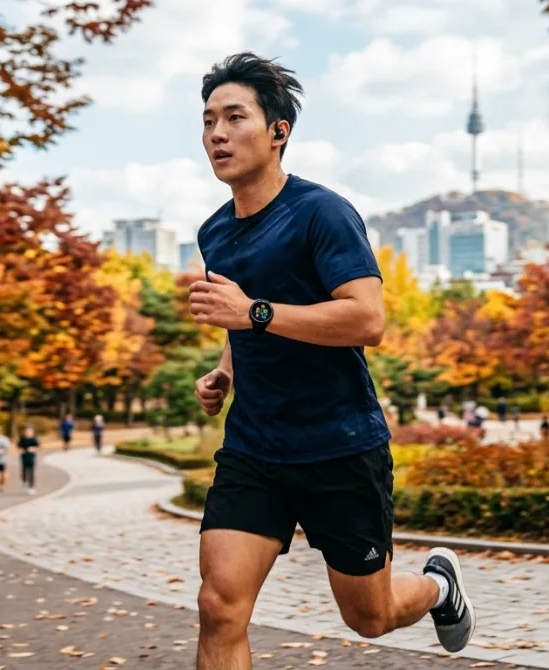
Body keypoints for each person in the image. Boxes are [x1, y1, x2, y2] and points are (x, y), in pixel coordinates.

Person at [187, 53, 475, 670]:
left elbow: (366, 319)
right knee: (219, 607)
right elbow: (242, 322)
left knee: (369, 616)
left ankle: (439, 587)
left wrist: (254, 313)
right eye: (208, 120)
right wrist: (225, 370)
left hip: (338, 445)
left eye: (235, 117)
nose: (216, 133)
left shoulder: (321, 212)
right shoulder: (215, 231)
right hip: (254, 450)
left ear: (278, 132)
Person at [18, 424, 39, 495]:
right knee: (24, 471)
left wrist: (33, 449)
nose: (28, 432)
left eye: (30, 430)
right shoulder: (22, 438)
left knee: (31, 472)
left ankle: (31, 487)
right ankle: (25, 482)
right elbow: (19, 447)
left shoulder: (34, 438)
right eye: (27, 430)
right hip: (24, 457)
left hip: (31, 457)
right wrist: (21, 450)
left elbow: (38, 447)